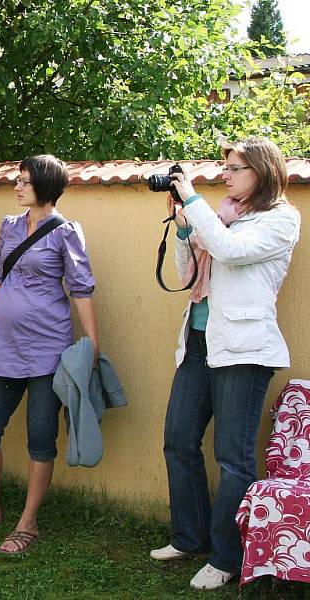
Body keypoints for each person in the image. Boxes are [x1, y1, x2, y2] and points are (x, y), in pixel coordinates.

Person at [150, 137, 301, 590]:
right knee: (178, 440)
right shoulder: (219, 215)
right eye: (226, 168)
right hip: (199, 341)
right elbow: (187, 273)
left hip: (243, 349)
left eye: (235, 169)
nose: (226, 175)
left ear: (262, 172)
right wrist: (182, 230)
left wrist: (193, 200)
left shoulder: (280, 220)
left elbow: (231, 251)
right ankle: (188, 537)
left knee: (232, 458)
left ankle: (226, 556)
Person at [0, 154, 98, 555]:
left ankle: (28, 522)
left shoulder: (66, 232)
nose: (17, 187)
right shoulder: (10, 226)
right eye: (17, 180)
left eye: (24, 181)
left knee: (40, 437)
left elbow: (82, 290)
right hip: (4, 346)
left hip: (47, 350)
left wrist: (92, 346)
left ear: (45, 187)